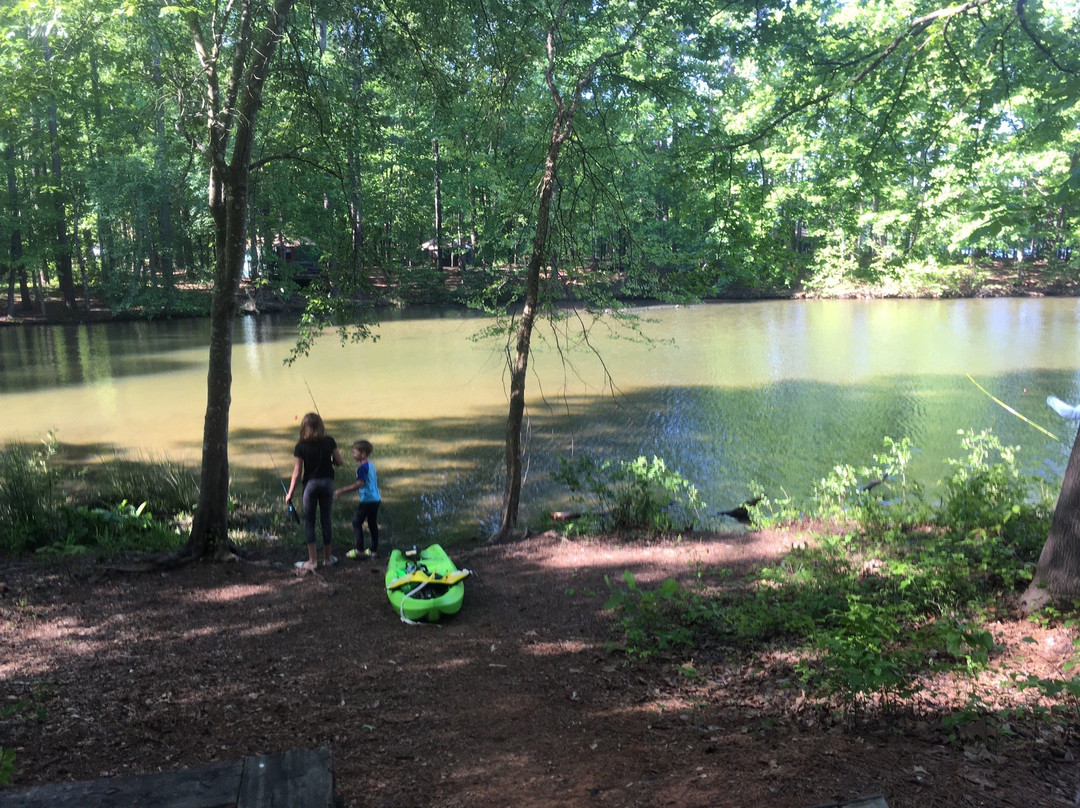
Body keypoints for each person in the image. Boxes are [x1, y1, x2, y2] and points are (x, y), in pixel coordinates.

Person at [285, 412, 344, 571]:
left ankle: (312, 561)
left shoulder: (300, 447)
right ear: (321, 426)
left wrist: (290, 493)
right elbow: (340, 462)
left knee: (309, 522)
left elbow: (297, 473)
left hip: (310, 486)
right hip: (327, 484)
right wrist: (331, 458)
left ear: (304, 428)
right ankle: (327, 559)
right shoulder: (329, 441)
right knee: (326, 520)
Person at [335, 439, 381, 560]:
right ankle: (373, 551)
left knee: (356, 522)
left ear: (363, 454)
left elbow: (359, 484)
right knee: (372, 524)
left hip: (367, 500)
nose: (353, 455)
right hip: (376, 499)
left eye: (355, 452)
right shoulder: (370, 465)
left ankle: (359, 550)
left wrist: (341, 491)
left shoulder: (362, 468)